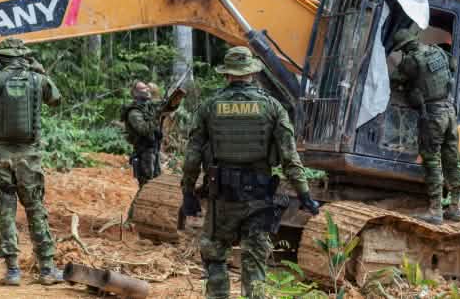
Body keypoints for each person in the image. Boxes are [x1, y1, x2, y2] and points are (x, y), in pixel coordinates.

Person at [179, 46, 320, 299]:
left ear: (227, 74)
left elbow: (192, 157)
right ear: (252, 73)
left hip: (221, 200)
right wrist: (305, 194)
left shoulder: (209, 106)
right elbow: (290, 157)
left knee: (215, 258)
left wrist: (188, 192)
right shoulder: (273, 107)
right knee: (254, 263)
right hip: (258, 199)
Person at [0, 37, 63, 285]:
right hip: (29, 157)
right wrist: (40, 71)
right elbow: (56, 98)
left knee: (5, 213)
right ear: (25, 57)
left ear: (0, 58)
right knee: (35, 209)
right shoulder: (38, 80)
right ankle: (47, 270)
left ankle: (13, 271)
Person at [392, 25, 460, 224]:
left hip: (433, 114)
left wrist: (411, 90)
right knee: (452, 159)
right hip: (450, 111)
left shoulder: (411, 61)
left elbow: (395, 81)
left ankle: (435, 211)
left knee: (432, 160)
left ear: (404, 47)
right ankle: (456, 208)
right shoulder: (437, 51)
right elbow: (453, 66)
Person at [122, 81, 177, 222]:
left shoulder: (148, 106)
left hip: (154, 151)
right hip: (143, 153)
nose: (146, 90)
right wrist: (157, 116)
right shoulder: (134, 112)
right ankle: (131, 218)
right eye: (141, 89)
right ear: (134, 93)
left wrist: (174, 98)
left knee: (156, 185)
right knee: (146, 186)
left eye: (146, 87)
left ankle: (149, 218)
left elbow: (168, 107)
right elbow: (144, 129)